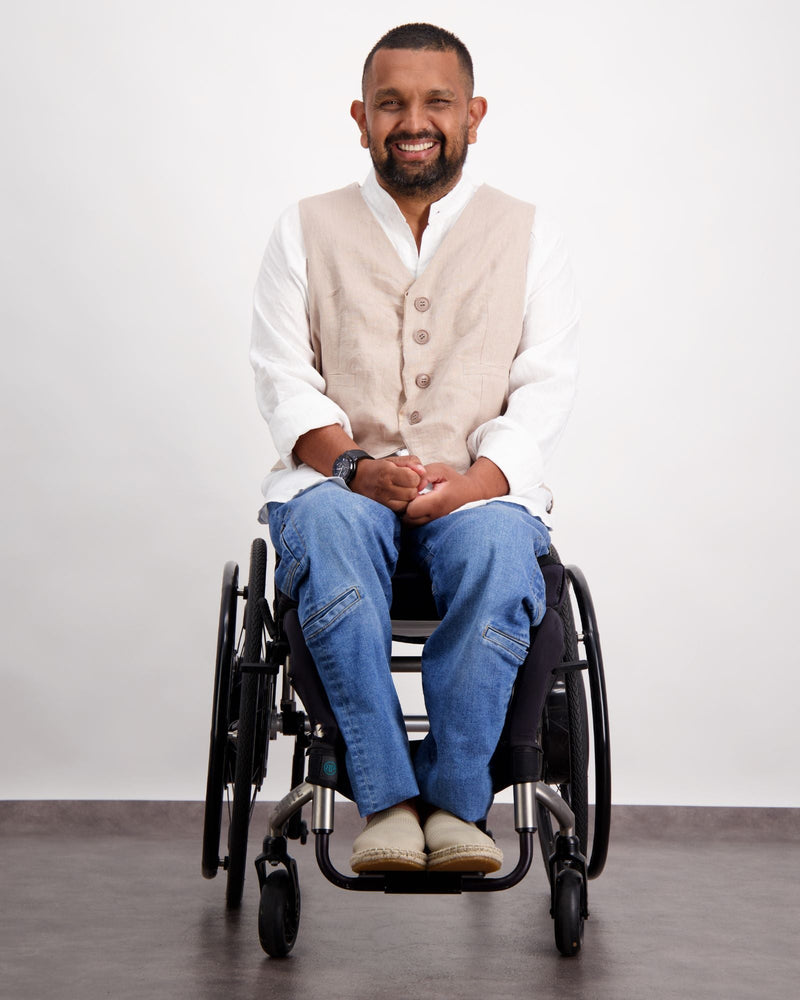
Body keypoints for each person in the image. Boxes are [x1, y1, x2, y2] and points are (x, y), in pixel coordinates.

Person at [250, 23, 580, 874]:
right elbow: (284, 378)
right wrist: (357, 467)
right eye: (391, 103)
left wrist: (476, 481)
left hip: (474, 492)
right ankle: (387, 800)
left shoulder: (528, 234)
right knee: (323, 528)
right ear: (360, 118)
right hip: (341, 487)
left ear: (472, 114)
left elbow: (544, 383)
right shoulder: (306, 228)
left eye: (436, 101)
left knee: (507, 544)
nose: (413, 120)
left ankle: (458, 799)